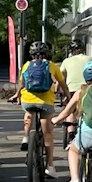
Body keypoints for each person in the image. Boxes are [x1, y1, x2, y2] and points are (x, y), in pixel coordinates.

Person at [16, 42, 61, 170]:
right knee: (48, 134)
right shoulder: (51, 66)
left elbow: (22, 84)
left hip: (28, 101)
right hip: (46, 103)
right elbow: (62, 84)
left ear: (31, 55)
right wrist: (69, 97)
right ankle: (50, 165)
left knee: (28, 112)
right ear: (47, 54)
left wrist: (17, 95)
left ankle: (26, 137)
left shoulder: (26, 65)